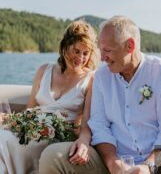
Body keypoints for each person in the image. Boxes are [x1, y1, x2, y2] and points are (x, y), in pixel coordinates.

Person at [39, 16, 161, 174]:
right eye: (100, 50)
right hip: (111, 160)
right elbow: (99, 125)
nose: (102, 58)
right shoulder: (101, 77)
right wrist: (113, 163)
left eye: (108, 51)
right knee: (53, 156)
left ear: (130, 46)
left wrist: (148, 167)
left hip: (159, 163)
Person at [0, 20, 99, 174]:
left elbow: (86, 123)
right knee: (3, 135)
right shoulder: (44, 70)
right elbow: (30, 109)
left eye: (86, 53)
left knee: (9, 141)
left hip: (59, 134)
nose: (81, 57)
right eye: (76, 51)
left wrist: (81, 141)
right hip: (31, 126)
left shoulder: (91, 79)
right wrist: (9, 120)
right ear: (65, 47)